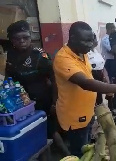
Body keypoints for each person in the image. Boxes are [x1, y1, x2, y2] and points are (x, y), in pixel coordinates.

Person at [53, 21, 116, 156]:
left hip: (87, 113)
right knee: (80, 153)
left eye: (91, 40)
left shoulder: (82, 53)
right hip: (74, 118)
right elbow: (85, 83)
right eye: (86, 41)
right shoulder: (63, 58)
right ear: (73, 38)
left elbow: (90, 75)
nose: (90, 45)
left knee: (88, 147)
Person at [5, 20, 70, 156]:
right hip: (21, 102)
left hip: (43, 99)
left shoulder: (39, 55)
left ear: (30, 37)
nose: (22, 41)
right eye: (17, 39)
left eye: (25, 37)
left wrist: (54, 101)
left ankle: (67, 154)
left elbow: (54, 78)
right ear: (11, 40)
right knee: (29, 130)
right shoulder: (9, 56)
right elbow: (9, 79)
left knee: (50, 129)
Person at [101, 23, 116, 115]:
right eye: (113, 28)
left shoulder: (113, 38)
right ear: (109, 29)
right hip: (109, 62)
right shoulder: (105, 39)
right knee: (109, 84)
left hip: (114, 62)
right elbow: (112, 50)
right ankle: (110, 107)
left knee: (115, 83)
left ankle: (115, 104)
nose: (115, 30)